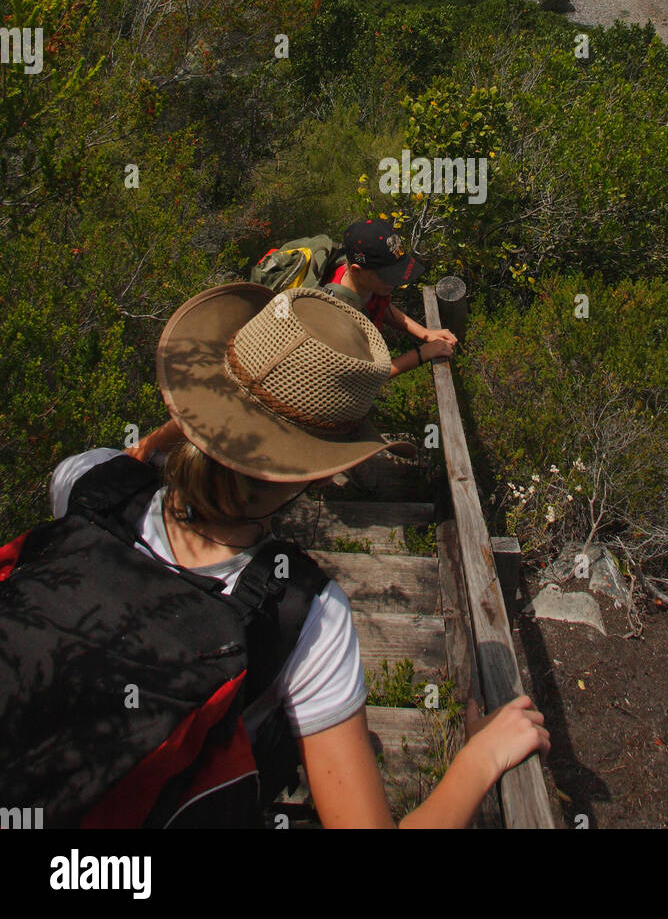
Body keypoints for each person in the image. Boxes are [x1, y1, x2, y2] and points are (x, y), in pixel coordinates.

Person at [48, 282, 549, 828]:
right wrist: (480, 757)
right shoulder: (305, 613)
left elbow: (138, 455)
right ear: (308, 473)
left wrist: (183, 428)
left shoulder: (89, 482)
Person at [320, 220, 458, 379]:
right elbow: (364, 378)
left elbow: (381, 307)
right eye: (387, 276)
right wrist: (422, 354)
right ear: (356, 270)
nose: (394, 283)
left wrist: (425, 333)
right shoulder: (338, 316)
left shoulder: (367, 282)